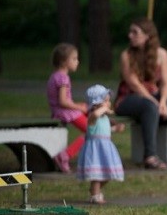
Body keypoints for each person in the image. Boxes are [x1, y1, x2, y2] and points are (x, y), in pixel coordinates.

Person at [115, 18, 167, 169]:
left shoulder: (162, 54)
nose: (130, 35)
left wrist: (163, 102)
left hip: (154, 97)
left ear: (147, 36)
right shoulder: (126, 55)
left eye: (135, 32)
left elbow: (166, 82)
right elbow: (134, 84)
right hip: (128, 98)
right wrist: (156, 103)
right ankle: (150, 156)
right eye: (130, 32)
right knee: (149, 107)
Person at [76, 85, 124, 204]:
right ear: (96, 103)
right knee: (97, 175)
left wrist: (116, 128)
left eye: (108, 100)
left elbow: (104, 130)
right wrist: (105, 109)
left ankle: (94, 190)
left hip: (106, 148)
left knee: (109, 173)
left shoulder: (104, 118)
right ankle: (95, 194)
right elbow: (96, 115)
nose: (109, 103)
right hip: (95, 149)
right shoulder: (92, 117)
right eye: (105, 101)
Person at [46, 43, 89, 173]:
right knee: (94, 131)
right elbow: (63, 101)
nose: (77, 62)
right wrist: (79, 107)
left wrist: (78, 105)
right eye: (74, 59)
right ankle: (65, 156)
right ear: (64, 62)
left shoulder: (55, 76)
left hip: (59, 111)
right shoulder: (63, 78)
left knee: (93, 125)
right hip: (66, 113)